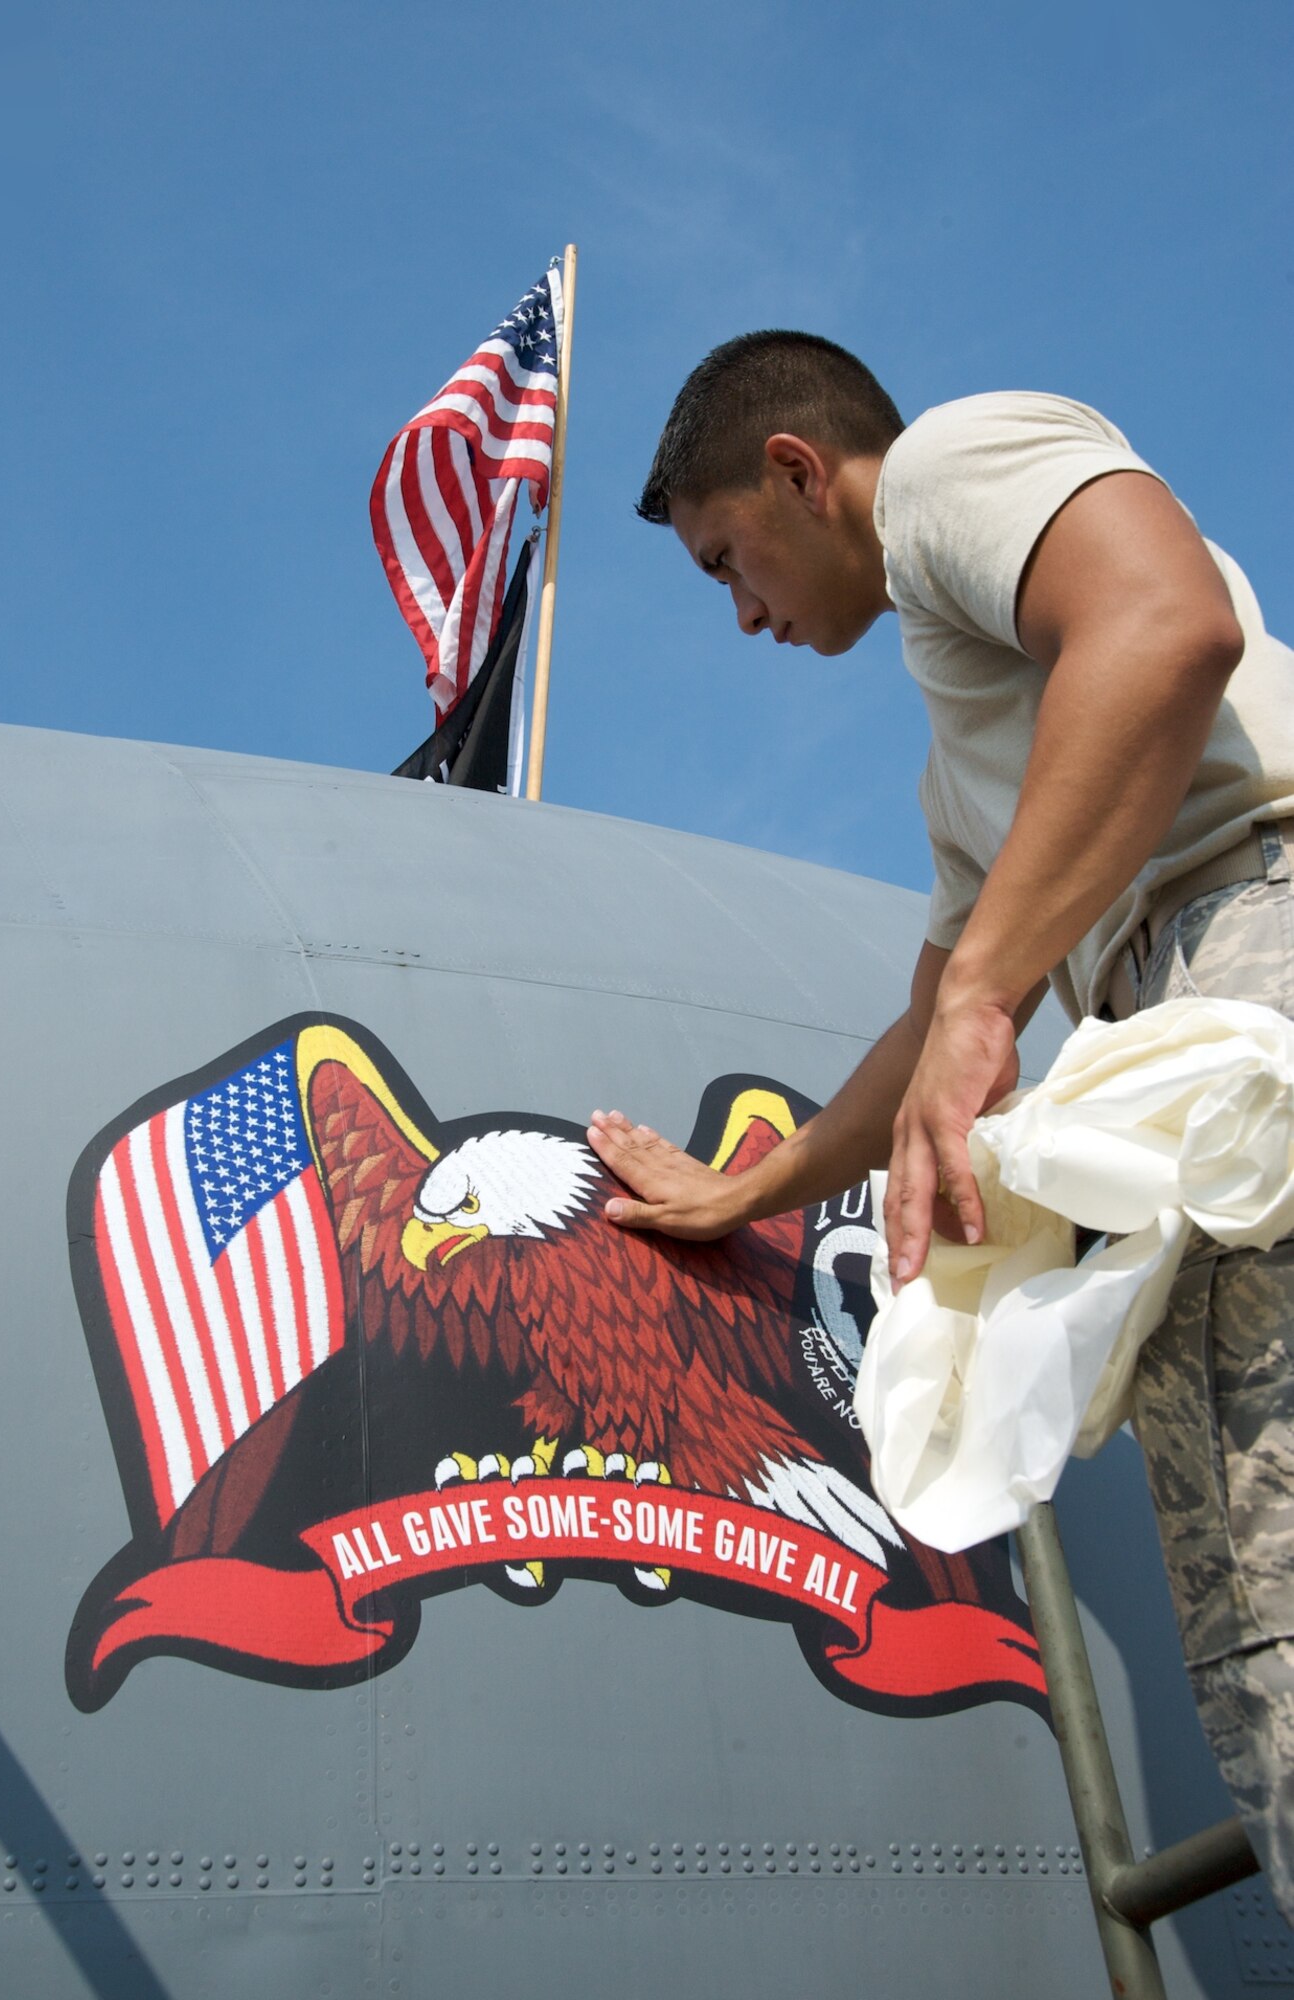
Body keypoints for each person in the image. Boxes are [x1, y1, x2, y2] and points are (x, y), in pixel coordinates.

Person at [584, 331, 1294, 1914]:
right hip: (1179, 1004)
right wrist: (738, 1193)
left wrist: (991, 989)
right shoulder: (978, 772)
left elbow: (1161, 619)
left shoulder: (955, 464)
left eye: (725, 564)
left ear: (795, 472)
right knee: (1250, 1633)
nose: (742, 613)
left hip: (1262, 930)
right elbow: (924, 1031)